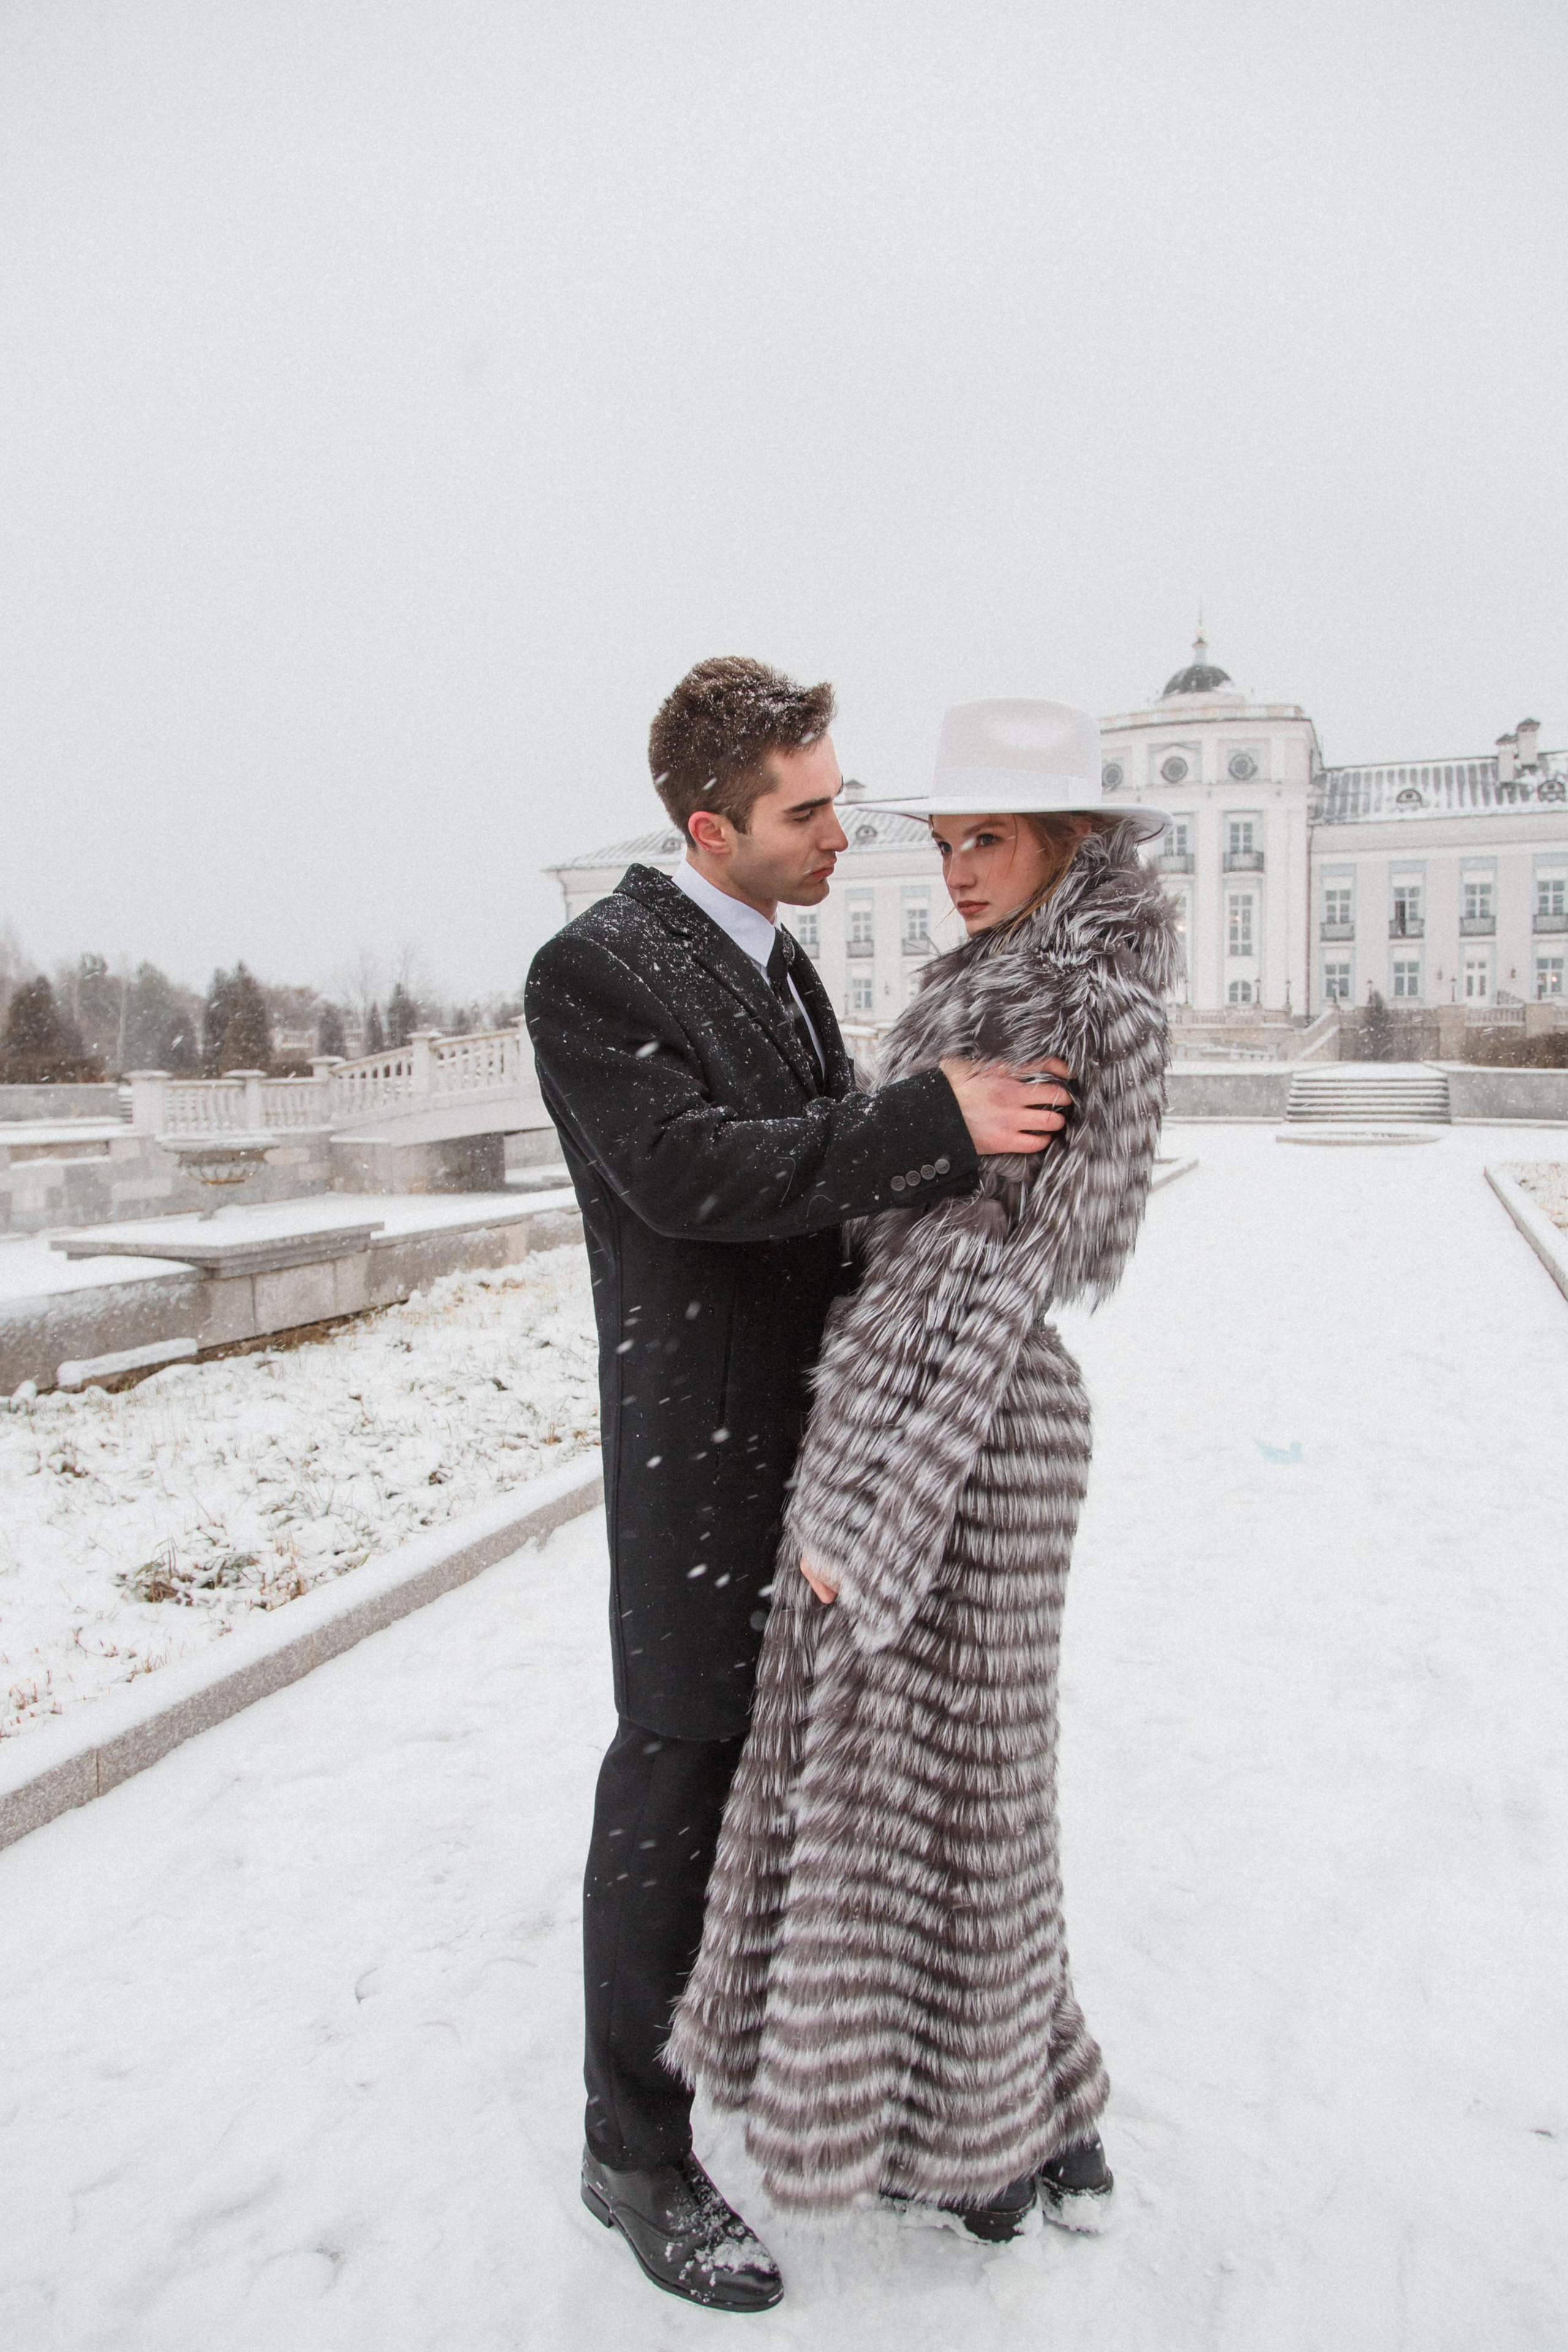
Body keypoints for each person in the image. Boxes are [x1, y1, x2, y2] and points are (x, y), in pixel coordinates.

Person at [524, 658, 1076, 2313]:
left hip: (820, 1440)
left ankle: (847, 2083)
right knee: (680, 1778)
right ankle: (632, 2145)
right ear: (713, 824)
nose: (849, 830)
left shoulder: (780, 964)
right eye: (812, 809)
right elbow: (693, 1179)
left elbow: (823, 1187)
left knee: (810, 1782)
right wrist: (931, 1124)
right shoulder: (592, 971)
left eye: (840, 796)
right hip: (702, 1456)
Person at [668, 698, 1177, 2242]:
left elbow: (978, 1278)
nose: (955, 870)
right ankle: (1028, 2107)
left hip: (953, 1437)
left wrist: (865, 1516)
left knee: (932, 1806)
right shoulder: (1031, 982)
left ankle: (977, 2137)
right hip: (961, 1425)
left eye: (989, 840)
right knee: (976, 1804)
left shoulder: (1060, 1009)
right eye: (945, 840)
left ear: (1065, 845)